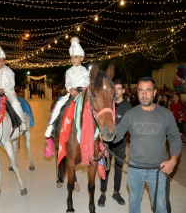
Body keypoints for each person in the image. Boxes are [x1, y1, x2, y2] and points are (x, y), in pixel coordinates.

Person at [113, 77, 182, 213]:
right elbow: (118, 133)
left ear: (155, 92)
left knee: (160, 206)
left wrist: (173, 161)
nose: (144, 94)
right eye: (141, 91)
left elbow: (175, 138)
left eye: (148, 90)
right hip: (134, 169)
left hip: (157, 170)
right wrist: (105, 135)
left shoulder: (165, 114)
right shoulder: (130, 114)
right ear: (137, 93)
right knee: (134, 201)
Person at [45, 37, 90, 137]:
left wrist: (85, 88)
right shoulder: (68, 71)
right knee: (60, 103)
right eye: (72, 57)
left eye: (76, 57)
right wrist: (70, 89)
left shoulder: (86, 71)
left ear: (82, 58)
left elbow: (88, 82)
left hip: (83, 94)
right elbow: (68, 82)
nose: (73, 59)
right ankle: (51, 125)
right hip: (72, 93)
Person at [98, 79, 132, 207]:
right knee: (105, 169)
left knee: (118, 170)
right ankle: (103, 193)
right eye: (114, 89)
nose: (116, 91)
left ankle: (116, 192)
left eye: (119, 89)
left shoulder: (128, 108)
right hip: (107, 144)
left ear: (123, 90)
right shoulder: (108, 104)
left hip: (120, 145)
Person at [0, 46, 27, 131]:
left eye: (3, 60)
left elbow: (12, 83)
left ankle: (22, 122)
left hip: (9, 93)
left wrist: (5, 89)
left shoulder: (10, 71)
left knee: (14, 103)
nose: (1, 62)